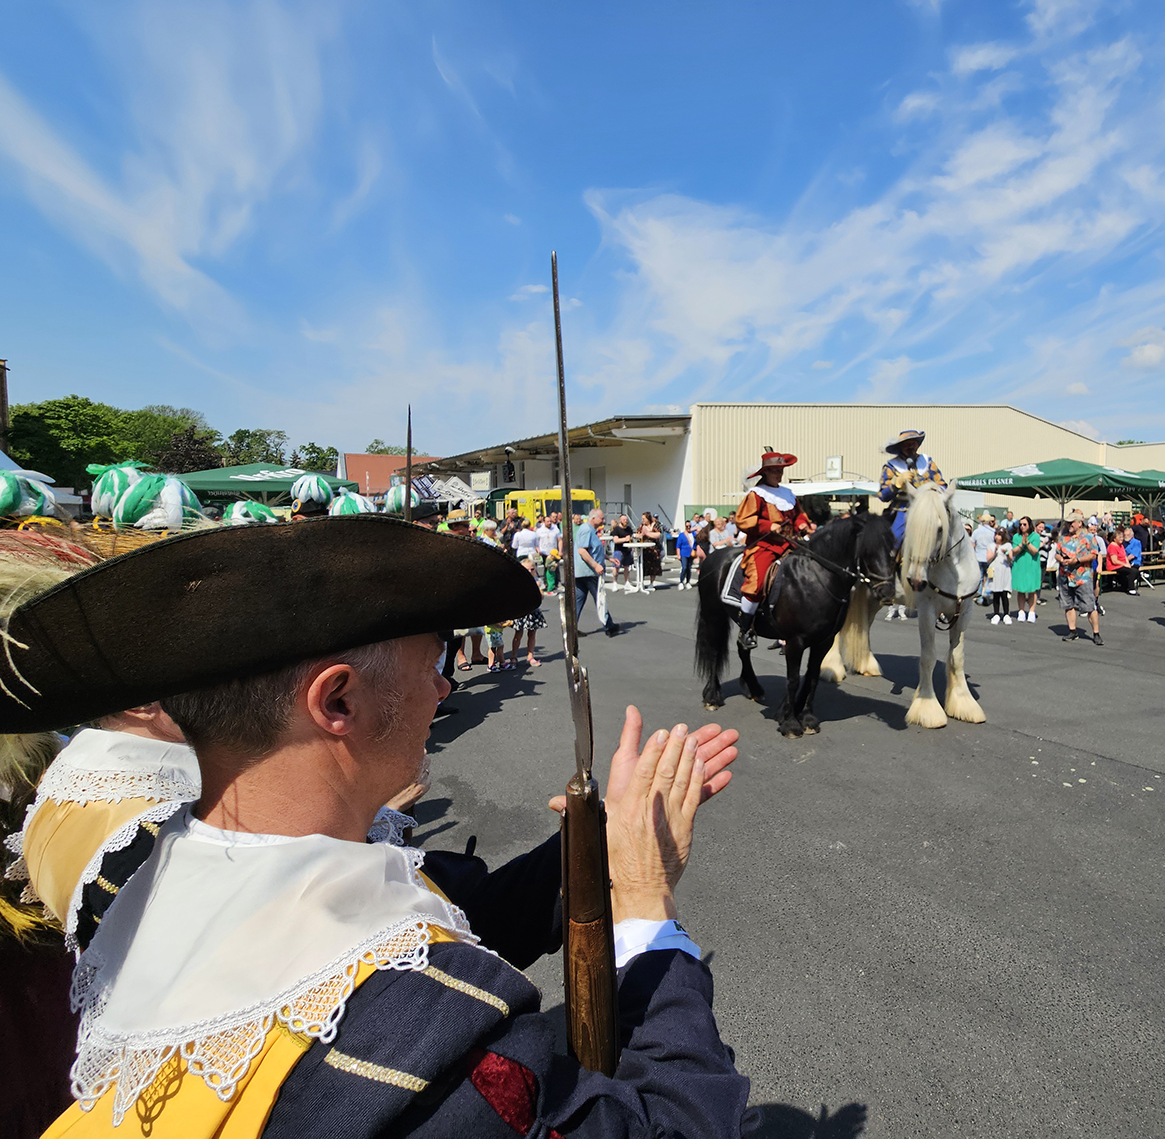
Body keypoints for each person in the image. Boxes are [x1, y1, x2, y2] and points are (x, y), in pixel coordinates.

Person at [2, 518, 751, 1138]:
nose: (445, 686)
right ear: (339, 701)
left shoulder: (155, 870)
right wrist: (649, 909)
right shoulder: (417, 1039)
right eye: (432, 661)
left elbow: (472, 909)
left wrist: (600, 845)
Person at [732, 449, 813, 650]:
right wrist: (768, 526)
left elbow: (798, 515)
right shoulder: (756, 495)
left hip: (790, 543)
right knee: (757, 583)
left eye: (781, 470)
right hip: (764, 545)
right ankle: (746, 629)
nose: (779, 474)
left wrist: (802, 524)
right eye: (775, 470)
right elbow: (743, 520)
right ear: (765, 472)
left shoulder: (787, 494)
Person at [878, 430, 947, 546]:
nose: (910, 447)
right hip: (904, 509)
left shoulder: (928, 462)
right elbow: (882, 496)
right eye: (906, 444)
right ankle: (892, 561)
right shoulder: (891, 466)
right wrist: (895, 485)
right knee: (895, 539)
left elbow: (942, 485)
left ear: (917, 445)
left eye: (913, 443)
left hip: (929, 508)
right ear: (900, 447)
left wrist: (933, 491)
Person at [573, 507, 621, 638]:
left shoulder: (592, 531)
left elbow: (594, 550)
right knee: (600, 598)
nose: (604, 520)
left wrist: (608, 558)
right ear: (593, 518)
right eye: (602, 518)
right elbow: (582, 551)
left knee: (579, 600)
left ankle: (572, 628)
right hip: (589, 572)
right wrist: (595, 565)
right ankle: (609, 626)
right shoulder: (586, 530)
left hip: (584, 572)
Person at [1056, 517, 1100, 645]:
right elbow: (1057, 553)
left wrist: (1078, 560)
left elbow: (1093, 554)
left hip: (1083, 577)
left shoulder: (1089, 537)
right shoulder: (1063, 538)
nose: (1069, 525)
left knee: (1090, 606)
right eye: (1067, 523)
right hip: (1065, 576)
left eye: (1071, 522)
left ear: (1079, 523)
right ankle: (1072, 631)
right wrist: (1060, 559)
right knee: (1068, 605)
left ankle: (1096, 633)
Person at [1010, 516, 1042, 622]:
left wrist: (1027, 542)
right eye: (1021, 524)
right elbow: (1013, 552)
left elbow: (1034, 551)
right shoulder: (1016, 536)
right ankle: (1021, 611)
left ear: (1029, 525)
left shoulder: (1035, 536)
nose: (1022, 526)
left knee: (1032, 590)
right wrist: (1021, 544)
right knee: (1021, 590)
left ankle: (1031, 612)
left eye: (1025, 524)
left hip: (1032, 566)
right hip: (1020, 566)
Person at [987, 535, 1014, 624]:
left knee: (1004, 593)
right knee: (996, 593)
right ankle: (996, 614)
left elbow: (1010, 559)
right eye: (997, 534)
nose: (997, 537)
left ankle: (1006, 614)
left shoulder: (1008, 545)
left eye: (1000, 535)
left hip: (1005, 570)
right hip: (995, 570)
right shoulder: (991, 545)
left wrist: (1006, 553)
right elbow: (988, 559)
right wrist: (995, 551)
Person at [972, 513, 998, 601]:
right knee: (989, 575)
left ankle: (979, 591)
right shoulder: (993, 532)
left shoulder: (976, 532)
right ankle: (986, 591)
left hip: (978, 556)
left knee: (979, 575)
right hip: (989, 556)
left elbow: (973, 544)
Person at [675, 520, 697, 590]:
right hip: (683, 553)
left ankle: (688, 582)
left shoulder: (694, 534)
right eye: (687, 526)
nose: (688, 527)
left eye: (689, 526)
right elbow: (678, 546)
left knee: (689, 568)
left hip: (691, 553)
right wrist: (678, 554)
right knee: (684, 567)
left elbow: (696, 544)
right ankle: (681, 582)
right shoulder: (681, 535)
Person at [1122, 525, 1142, 594]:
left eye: (1127, 535)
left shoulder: (1137, 542)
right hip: (1125, 562)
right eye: (1124, 535)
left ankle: (1131, 588)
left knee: (1133, 571)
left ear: (1132, 535)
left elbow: (1132, 556)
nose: (1126, 536)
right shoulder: (1123, 543)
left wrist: (1123, 561)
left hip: (1134, 562)